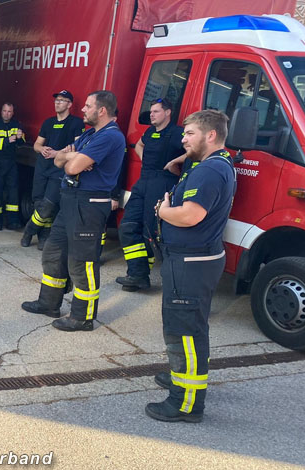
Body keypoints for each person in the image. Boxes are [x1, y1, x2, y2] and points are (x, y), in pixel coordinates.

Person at [146, 110, 236, 423]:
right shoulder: (213, 164)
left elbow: (190, 215)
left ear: (210, 136)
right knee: (189, 327)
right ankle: (180, 376)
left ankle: (185, 403)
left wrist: (163, 210)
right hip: (193, 259)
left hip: (191, 262)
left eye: (190, 134)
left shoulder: (210, 170)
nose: (183, 139)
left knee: (185, 331)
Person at [21, 91, 124, 332]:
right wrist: (71, 157)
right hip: (70, 201)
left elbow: (72, 165)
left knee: (82, 262)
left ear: (102, 110)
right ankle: (49, 303)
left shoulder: (109, 137)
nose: (83, 109)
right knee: (54, 252)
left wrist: (72, 158)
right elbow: (59, 161)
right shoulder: (90, 134)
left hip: (88, 205)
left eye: (88, 106)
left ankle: (82, 317)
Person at [116, 98, 185, 291]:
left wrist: (174, 163)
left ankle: (165, 279)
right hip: (144, 180)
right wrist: (144, 158)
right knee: (128, 226)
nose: (151, 115)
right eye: (151, 111)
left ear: (167, 113)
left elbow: (194, 151)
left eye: (156, 111)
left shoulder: (177, 133)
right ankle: (137, 275)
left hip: (162, 183)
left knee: (150, 231)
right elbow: (139, 145)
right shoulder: (149, 132)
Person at [21, 90, 84, 249]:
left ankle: (29, 230)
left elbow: (78, 147)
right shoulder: (48, 122)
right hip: (42, 167)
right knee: (39, 201)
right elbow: (36, 144)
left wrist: (58, 153)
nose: (57, 103)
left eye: (62, 100)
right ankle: (43, 237)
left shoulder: (76, 123)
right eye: (56, 100)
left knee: (49, 204)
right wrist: (41, 149)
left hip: (59, 168)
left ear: (69, 104)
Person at [0, 103, 24, 230]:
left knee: (13, 193)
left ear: (13, 113)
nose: (7, 114)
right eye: (4, 111)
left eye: (9, 111)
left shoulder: (17, 124)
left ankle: (12, 222)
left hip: (11, 162)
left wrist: (19, 138)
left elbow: (21, 143)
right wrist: (7, 140)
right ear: (1, 111)